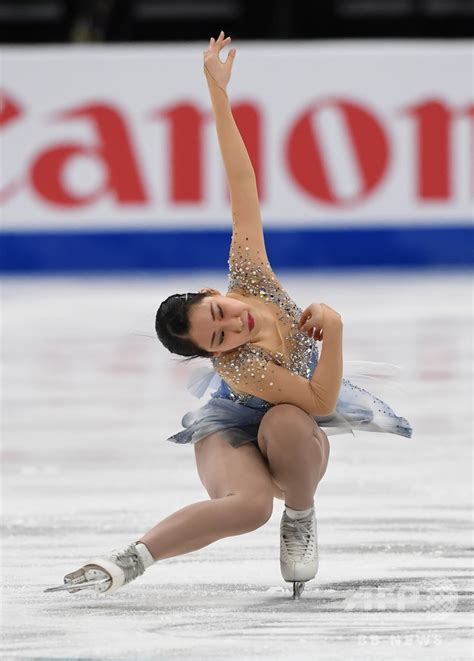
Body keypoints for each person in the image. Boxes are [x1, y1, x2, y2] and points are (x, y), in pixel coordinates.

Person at [45, 31, 412, 599]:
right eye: (218, 338)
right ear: (214, 355)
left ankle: (302, 514)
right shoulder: (243, 369)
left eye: (220, 312)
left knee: (285, 423)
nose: (232, 326)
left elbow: (241, 179)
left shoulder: (251, 272)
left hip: (286, 425)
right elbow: (319, 397)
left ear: (213, 290)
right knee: (247, 507)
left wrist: (216, 91)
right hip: (230, 428)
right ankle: (126, 561)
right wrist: (333, 330)